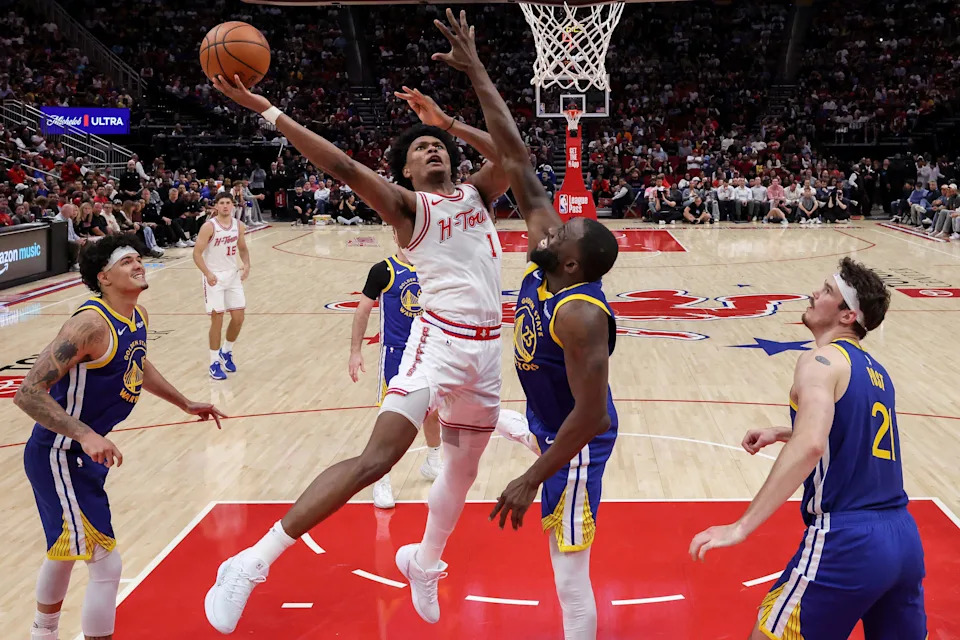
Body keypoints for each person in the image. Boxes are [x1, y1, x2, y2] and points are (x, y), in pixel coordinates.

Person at [203, 59, 510, 634]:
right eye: (419, 148)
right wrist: (266, 110)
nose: (431, 149)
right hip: (437, 343)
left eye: (436, 145)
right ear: (405, 172)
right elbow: (342, 165)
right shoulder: (408, 208)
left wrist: (452, 121)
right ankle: (249, 563)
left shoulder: (477, 195)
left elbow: (515, 156)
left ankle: (422, 563)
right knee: (379, 459)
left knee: (461, 473)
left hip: (487, 353)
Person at [429, 11, 619, 638]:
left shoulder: (582, 313)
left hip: (578, 441)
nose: (546, 222)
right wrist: (476, 71)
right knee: (559, 561)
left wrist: (529, 476)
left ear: (571, 260)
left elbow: (590, 416)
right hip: (548, 423)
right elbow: (516, 158)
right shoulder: (550, 258)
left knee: (569, 573)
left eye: (561, 230)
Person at [689, 258, 927, 640]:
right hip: (903, 539)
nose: (815, 294)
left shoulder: (819, 359)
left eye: (828, 291)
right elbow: (854, 435)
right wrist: (785, 431)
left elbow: (813, 444)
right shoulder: (877, 372)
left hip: (848, 540)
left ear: (848, 315)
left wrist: (741, 526)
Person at [13, 234, 225, 640]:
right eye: (127, 261)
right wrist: (86, 434)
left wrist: (184, 402)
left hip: (79, 456)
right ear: (104, 277)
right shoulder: (89, 324)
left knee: (64, 552)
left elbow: (137, 364)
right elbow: (27, 392)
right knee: (105, 563)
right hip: (59, 452)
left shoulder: (137, 315)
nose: (138, 264)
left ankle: (43, 633)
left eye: (138, 258)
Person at [349, 235, 443, 508]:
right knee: (390, 420)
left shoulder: (432, 268)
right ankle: (382, 481)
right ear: (393, 235)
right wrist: (356, 351)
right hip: (396, 355)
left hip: (428, 351)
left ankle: (433, 462)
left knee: (433, 412)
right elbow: (362, 310)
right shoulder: (383, 270)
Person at [192, 194, 250, 380]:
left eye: (228, 203)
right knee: (217, 319)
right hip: (214, 277)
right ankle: (214, 362)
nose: (225, 206)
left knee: (238, 318)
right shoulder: (209, 227)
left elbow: (242, 248)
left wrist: (247, 264)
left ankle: (227, 351)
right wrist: (207, 273)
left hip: (232, 276)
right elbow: (197, 254)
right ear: (215, 206)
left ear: (232, 205)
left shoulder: (238, 225)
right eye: (222, 203)